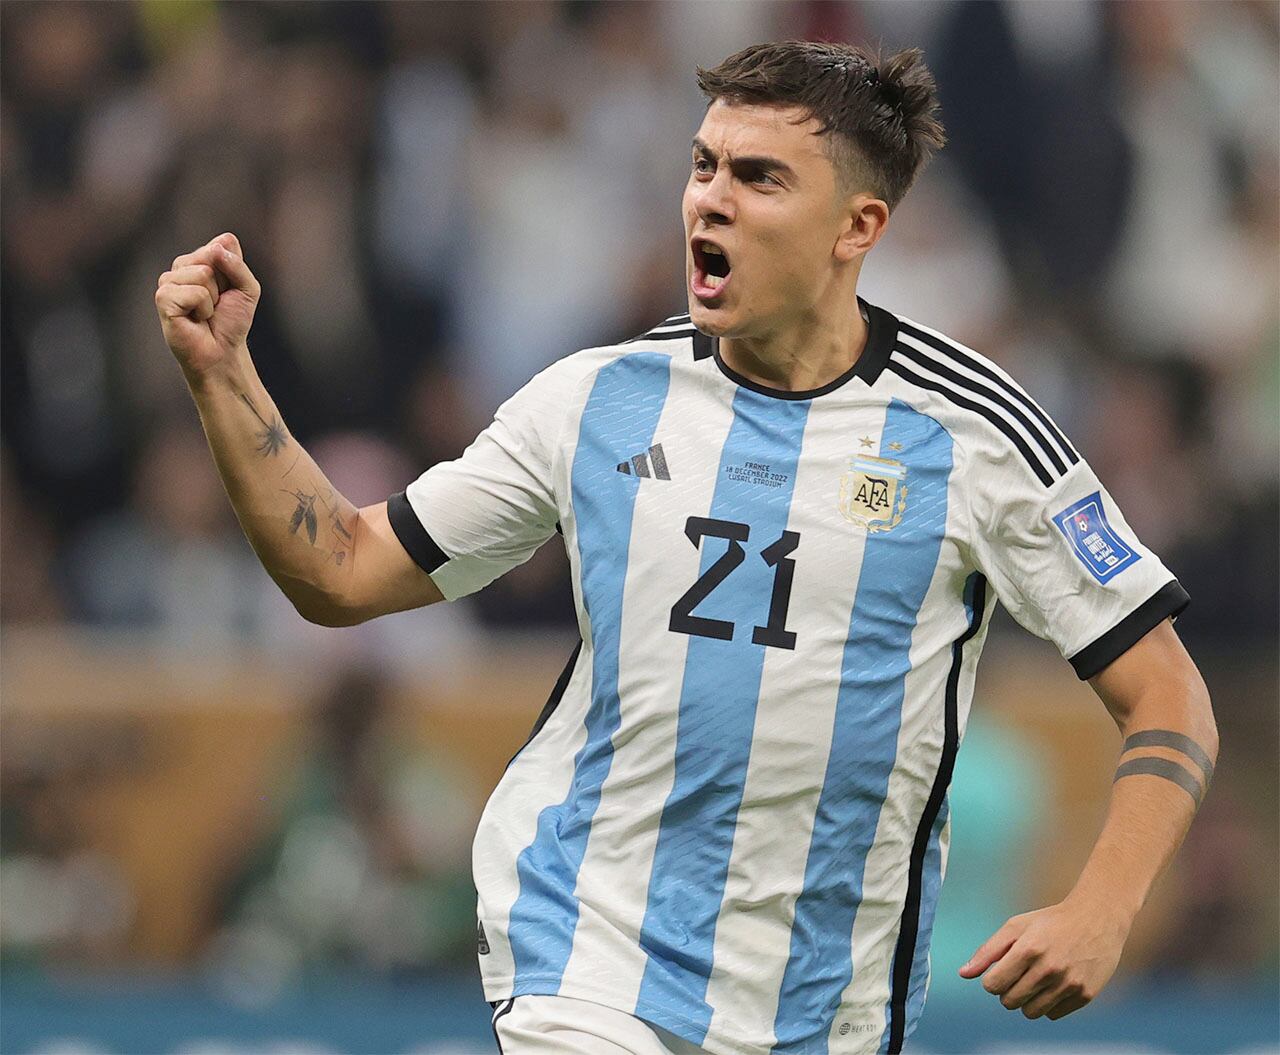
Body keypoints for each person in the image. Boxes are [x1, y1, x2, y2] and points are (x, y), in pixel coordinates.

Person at [155, 39, 1218, 1055]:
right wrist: (222, 375)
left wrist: (1101, 907)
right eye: (702, 165)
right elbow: (343, 567)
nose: (709, 198)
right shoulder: (598, 399)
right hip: (584, 943)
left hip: (826, 1002)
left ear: (857, 225)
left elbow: (1165, 691)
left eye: (758, 177)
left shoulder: (975, 434)